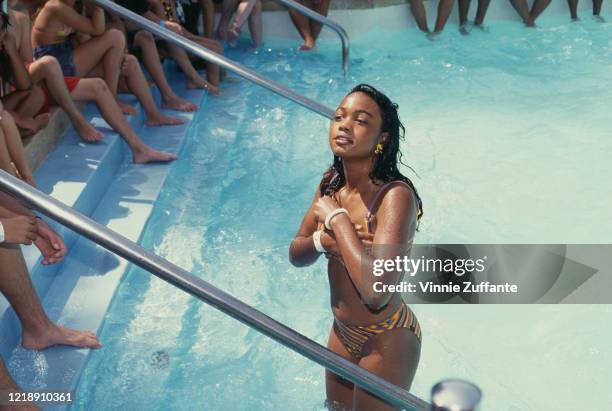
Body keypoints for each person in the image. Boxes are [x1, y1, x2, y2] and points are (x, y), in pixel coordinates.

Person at [289, 84, 423, 411]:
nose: (345, 125)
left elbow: (376, 291)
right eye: (339, 117)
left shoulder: (394, 196)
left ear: (383, 139)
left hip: (386, 338)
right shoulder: (330, 182)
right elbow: (296, 252)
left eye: (361, 120)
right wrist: (325, 241)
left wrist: (337, 220)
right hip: (342, 332)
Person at [29, 0, 183, 125]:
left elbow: (91, 35)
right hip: (55, 69)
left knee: (130, 62)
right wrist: (99, 5)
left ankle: (153, 114)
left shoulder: (75, 5)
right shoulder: (55, 7)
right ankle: (112, 97)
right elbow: (97, 29)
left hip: (68, 62)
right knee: (115, 36)